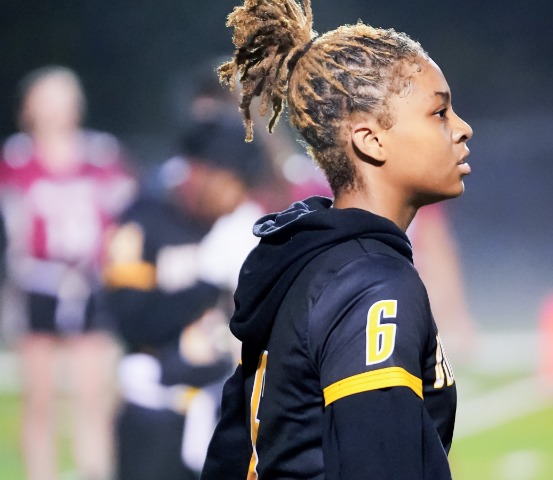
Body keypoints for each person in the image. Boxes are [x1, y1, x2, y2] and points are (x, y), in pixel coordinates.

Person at [200, 0, 473, 479]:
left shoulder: (312, 261)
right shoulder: (371, 282)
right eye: (439, 112)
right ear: (370, 140)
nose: (462, 129)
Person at [100, 116, 268, 480]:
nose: (237, 198)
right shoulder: (143, 220)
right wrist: (206, 277)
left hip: (224, 407)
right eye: (232, 184)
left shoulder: (238, 225)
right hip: (158, 413)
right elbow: (131, 318)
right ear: (199, 172)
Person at [0, 66, 136, 480]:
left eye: (64, 100)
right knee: (39, 399)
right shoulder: (17, 158)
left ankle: (94, 470)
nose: (57, 111)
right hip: (38, 281)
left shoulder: (100, 154)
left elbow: (126, 215)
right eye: (47, 101)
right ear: (29, 108)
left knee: (94, 395)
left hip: (89, 281)